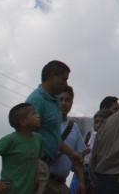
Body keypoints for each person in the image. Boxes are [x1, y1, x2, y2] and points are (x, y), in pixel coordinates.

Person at [29, 60, 85, 192]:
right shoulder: (37, 100)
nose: (65, 84)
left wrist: (72, 153)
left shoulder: (53, 101)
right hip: (37, 167)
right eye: (64, 79)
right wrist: (32, 171)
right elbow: (27, 136)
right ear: (52, 76)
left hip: (53, 178)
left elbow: (54, 138)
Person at [0, 103, 43, 194]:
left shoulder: (38, 139)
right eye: (33, 113)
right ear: (23, 122)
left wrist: (36, 178)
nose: (38, 116)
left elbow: (36, 161)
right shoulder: (10, 140)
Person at [46, 86, 87, 194]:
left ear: (72, 103)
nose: (64, 103)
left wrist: (81, 182)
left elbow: (77, 159)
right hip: (44, 179)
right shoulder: (46, 123)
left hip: (61, 185)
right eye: (61, 99)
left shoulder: (74, 127)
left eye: (67, 100)